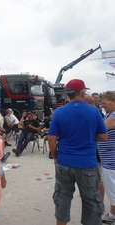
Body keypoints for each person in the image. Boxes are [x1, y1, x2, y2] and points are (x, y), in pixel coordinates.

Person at [48, 79, 108, 225]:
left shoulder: (59, 112)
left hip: (64, 161)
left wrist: (55, 156)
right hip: (87, 163)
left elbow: (51, 138)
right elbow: (104, 136)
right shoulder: (93, 111)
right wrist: (89, 138)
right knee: (91, 200)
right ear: (82, 93)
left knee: (62, 197)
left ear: (67, 94)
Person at [97, 91, 115, 223]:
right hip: (107, 159)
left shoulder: (113, 116)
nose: (102, 106)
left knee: (112, 190)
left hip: (111, 160)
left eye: (104, 103)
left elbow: (99, 130)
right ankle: (112, 215)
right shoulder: (108, 114)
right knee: (111, 189)